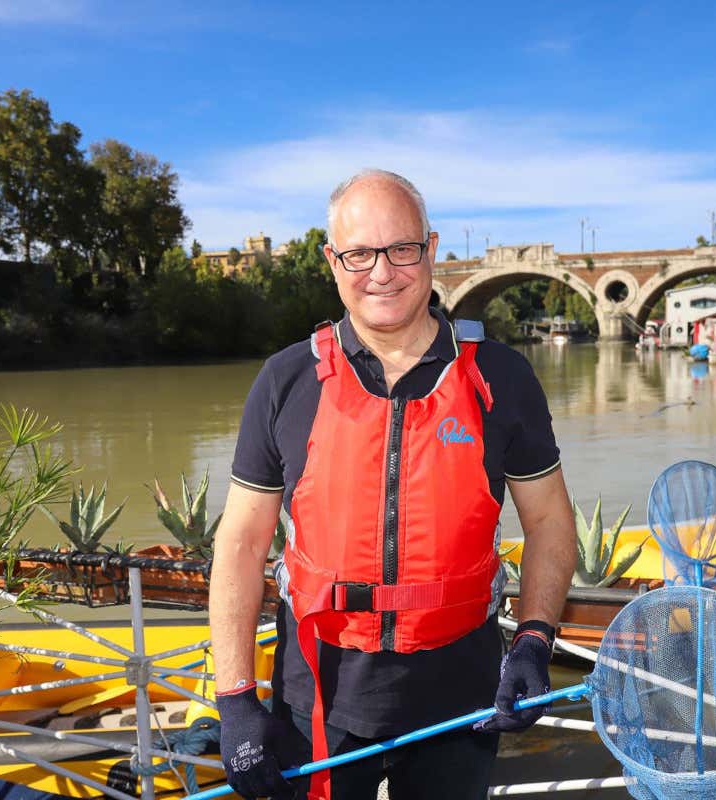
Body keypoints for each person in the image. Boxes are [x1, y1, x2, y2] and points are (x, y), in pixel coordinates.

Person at [209, 169, 576, 799]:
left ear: (430, 250)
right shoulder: (285, 380)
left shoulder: (502, 378)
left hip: (461, 694)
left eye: (402, 249)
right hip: (318, 692)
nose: (382, 272)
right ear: (333, 261)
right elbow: (241, 544)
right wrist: (236, 701)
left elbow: (550, 524)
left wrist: (535, 640)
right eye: (359, 253)